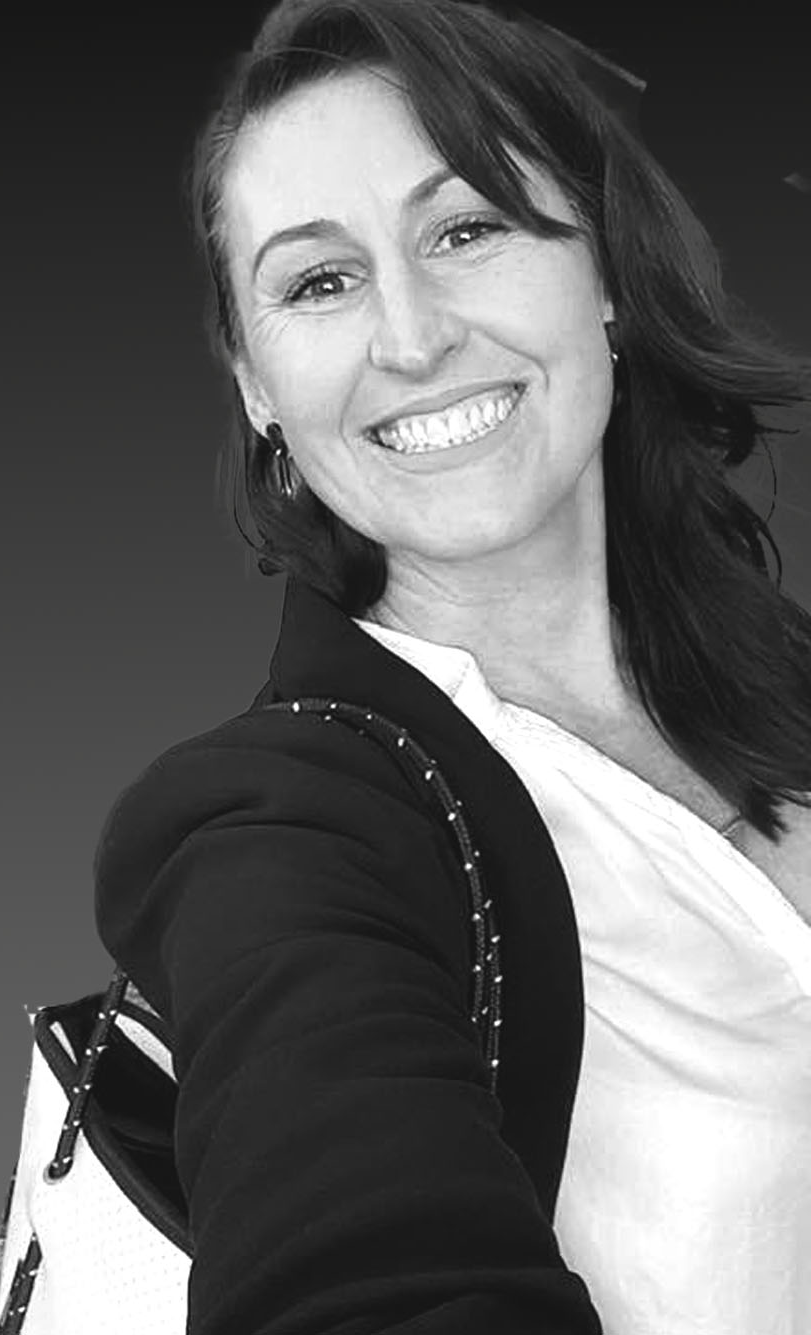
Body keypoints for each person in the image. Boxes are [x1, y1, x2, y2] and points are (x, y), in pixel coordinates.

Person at [91, 0, 811, 1330]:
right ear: (257, 387)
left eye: (466, 229)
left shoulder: (789, 682)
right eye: (320, 282)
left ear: (604, 274)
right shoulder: (277, 838)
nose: (413, 337)